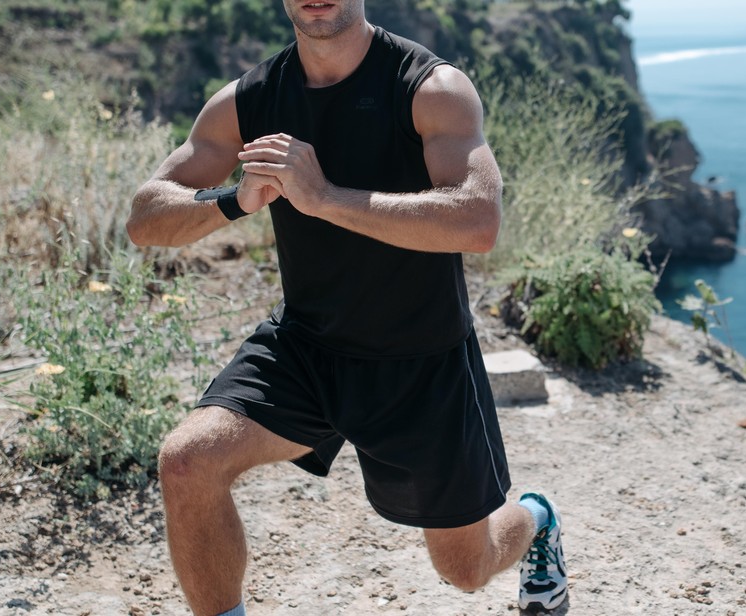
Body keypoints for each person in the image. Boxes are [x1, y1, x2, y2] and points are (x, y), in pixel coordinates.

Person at [126, 2, 567, 614]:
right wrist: (235, 199)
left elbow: (478, 219)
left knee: (467, 569)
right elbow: (146, 217)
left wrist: (326, 197)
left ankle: (538, 519)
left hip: (421, 361)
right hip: (306, 347)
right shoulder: (248, 100)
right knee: (187, 462)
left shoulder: (431, 88)